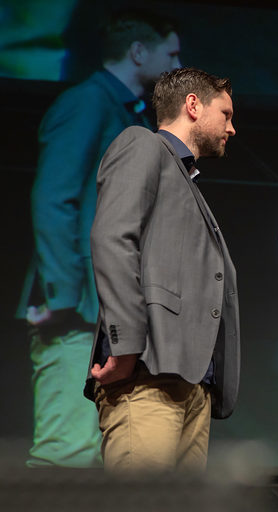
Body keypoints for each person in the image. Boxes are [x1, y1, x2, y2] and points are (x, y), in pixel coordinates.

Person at [16, 9, 181, 468]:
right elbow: (54, 198)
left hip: (114, 307)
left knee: (108, 457)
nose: (176, 64)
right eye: (171, 54)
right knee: (66, 453)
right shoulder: (88, 102)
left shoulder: (129, 113)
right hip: (79, 309)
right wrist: (63, 295)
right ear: (138, 52)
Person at [83, 67, 239, 473]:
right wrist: (125, 345)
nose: (232, 128)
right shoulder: (142, 144)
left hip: (189, 384)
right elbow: (112, 239)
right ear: (193, 106)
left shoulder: (184, 177)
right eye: (225, 114)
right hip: (147, 372)